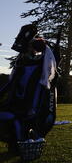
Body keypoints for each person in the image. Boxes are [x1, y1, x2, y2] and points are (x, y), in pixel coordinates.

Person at [0, 24, 58, 154]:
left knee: (15, 117)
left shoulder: (38, 65)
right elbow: (11, 84)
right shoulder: (23, 63)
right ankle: (15, 141)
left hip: (28, 107)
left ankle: (19, 141)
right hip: (17, 103)